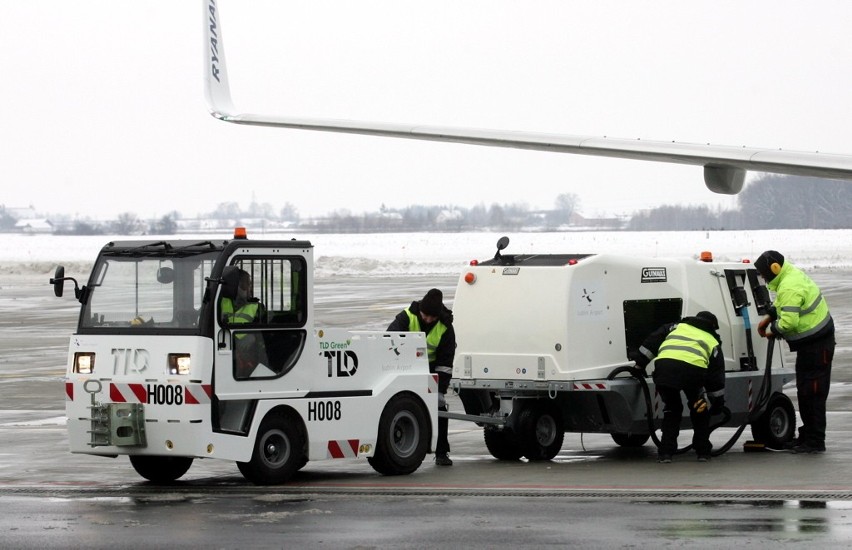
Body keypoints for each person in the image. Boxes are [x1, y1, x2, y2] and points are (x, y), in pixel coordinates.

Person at [754, 250, 835, 454]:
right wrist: (771, 315)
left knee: (813, 393)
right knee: (805, 391)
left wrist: (771, 330)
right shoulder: (788, 278)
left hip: (818, 346)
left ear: (774, 269)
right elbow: (784, 305)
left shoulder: (790, 284)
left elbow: (789, 323)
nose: (763, 278)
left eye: (764, 274)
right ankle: (807, 436)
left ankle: (815, 441)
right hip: (810, 346)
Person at [632, 311, 726, 463]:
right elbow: (715, 378)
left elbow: (652, 341)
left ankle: (665, 453)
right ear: (712, 327)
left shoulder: (675, 327)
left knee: (672, 409)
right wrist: (717, 403)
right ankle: (702, 452)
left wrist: (639, 364)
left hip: (664, 370)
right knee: (699, 409)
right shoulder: (712, 340)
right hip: (693, 373)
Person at [388, 288, 456, 466]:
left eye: (431, 317)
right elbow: (388, 340)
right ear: (420, 310)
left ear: (438, 315)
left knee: (439, 407)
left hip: (431, 371)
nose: (427, 320)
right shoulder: (406, 317)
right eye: (425, 315)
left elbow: (445, 363)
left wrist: (440, 390)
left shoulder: (445, 327)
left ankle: (441, 452)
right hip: (404, 368)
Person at [220, 267, 268, 378]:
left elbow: (262, 339)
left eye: (250, 284)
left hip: (250, 356)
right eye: (247, 284)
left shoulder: (257, 308)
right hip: (225, 352)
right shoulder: (219, 303)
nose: (249, 288)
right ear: (235, 285)